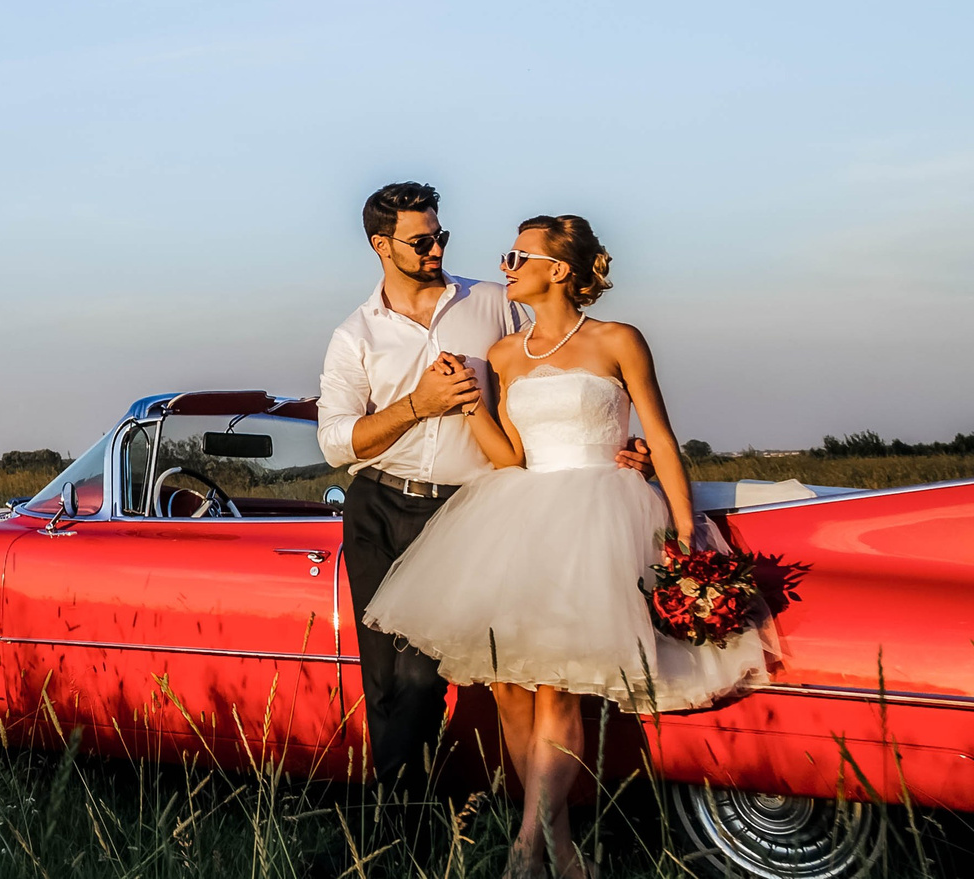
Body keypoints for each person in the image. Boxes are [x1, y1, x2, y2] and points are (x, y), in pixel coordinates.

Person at [363, 216, 767, 879]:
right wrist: (470, 403)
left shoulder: (618, 339)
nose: (506, 263)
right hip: (521, 514)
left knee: (555, 688)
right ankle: (563, 851)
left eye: (519, 253)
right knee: (510, 689)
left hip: (598, 514)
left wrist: (688, 528)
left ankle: (527, 847)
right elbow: (509, 458)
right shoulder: (503, 354)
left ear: (559, 268)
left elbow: (660, 438)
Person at [315, 183, 648, 788]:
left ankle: (486, 819)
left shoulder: (493, 302)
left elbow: (562, 358)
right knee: (389, 681)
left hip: (471, 510)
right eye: (422, 240)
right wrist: (415, 405)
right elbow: (336, 443)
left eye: (441, 235)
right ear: (380, 245)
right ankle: (393, 833)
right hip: (380, 506)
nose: (437, 247)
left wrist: (611, 442)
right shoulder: (355, 335)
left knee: (469, 673)